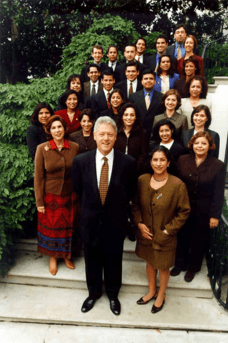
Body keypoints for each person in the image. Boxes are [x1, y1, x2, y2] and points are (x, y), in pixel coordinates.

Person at [71, 116, 136, 315]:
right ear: (95, 136)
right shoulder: (81, 161)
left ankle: (113, 295)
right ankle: (93, 293)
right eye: (102, 134)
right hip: (90, 220)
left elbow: (131, 191)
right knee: (91, 258)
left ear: (116, 137)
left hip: (116, 222)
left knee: (114, 259)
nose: (106, 138)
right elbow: (78, 189)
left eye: (110, 134)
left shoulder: (128, 162)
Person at [132, 146, 190, 313]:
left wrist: (167, 231)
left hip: (165, 236)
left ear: (168, 162)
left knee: (163, 266)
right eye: (155, 160)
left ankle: (161, 294)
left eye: (162, 160)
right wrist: (139, 223)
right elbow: (134, 204)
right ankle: (151, 290)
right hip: (146, 234)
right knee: (150, 262)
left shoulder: (177, 185)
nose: (158, 163)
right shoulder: (142, 180)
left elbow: (184, 211)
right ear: (150, 162)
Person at [171, 132, 225, 282]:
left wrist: (214, 215)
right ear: (192, 145)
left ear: (209, 146)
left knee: (198, 240)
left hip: (203, 210)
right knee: (182, 237)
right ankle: (179, 264)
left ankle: (192, 268)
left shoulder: (218, 165)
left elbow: (218, 193)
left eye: (203, 143)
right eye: (197, 143)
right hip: (183, 207)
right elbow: (175, 183)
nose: (200, 146)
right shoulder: (182, 160)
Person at [34, 115, 80, 276]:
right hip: (50, 196)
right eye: (53, 128)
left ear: (64, 129)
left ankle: (67, 256)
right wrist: (39, 202)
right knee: (52, 228)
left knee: (69, 228)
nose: (57, 130)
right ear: (49, 131)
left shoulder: (74, 147)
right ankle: (53, 257)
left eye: (59, 127)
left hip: (70, 195)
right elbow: (38, 177)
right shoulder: (42, 148)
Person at [129, 69, 163, 143]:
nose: (148, 81)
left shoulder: (162, 97)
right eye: (145, 78)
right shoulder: (133, 97)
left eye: (151, 78)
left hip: (155, 135)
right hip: (137, 134)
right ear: (141, 81)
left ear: (154, 81)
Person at [114, 103, 147, 175]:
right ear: (122, 116)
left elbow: (143, 154)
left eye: (132, 115)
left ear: (136, 117)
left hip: (135, 170)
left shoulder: (142, 133)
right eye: (126, 115)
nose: (129, 118)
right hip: (117, 169)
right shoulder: (115, 132)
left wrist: (136, 168)